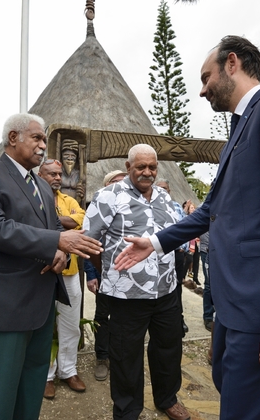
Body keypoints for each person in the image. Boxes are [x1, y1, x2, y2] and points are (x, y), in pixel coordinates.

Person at [114, 36, 260, 419]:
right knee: (228, 388)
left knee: (244, 410)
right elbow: (211, 209)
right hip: (235, 304)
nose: (201, 90)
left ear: (232, 63)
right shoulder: (239, 129)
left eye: (205, 77)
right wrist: (155, 242)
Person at [0, 113, 103, 420]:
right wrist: (57, 243)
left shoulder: (41, 186)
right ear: (13, 138)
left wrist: (58, 255)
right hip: (0, 309)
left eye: (44, 140)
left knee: (30, 391)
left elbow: (51, 234)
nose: (42, 146)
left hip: (39, 308)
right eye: (36, 138)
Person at [83, 144, 190, 420]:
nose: (147, 172)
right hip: (125, 295)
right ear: (128, 166)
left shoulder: (166, 200)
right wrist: (106, 274)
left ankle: (167, 399)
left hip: (166, 291)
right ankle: (128, 410)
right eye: (140, 167)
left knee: (168, 348)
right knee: (125, 355)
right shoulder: (107, 196)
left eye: (152, 167)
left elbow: (180, 237)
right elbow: (90, 241)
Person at [38, 158, 87, 399]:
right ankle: (46, 375)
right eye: (51, 174)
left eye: (59, 174)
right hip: (43, 272)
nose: (57, 178)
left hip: (71, 273)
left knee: (70, 324)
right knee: (44, 324)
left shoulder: (70, 201)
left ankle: (68, 370)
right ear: (39, 174)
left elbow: (81, 222)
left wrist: (54, 223)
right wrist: (64, 225)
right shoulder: (33, 197)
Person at [85, 169, 127, 381]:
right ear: (107, 185)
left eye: (124, 181)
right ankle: (102, 357)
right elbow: (89, 242)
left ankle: (120, 356)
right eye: (116, 182)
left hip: (128, 275)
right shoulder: (99, 206)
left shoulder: (132, 206)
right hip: (104, 272)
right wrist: (92, 275)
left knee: (126, 318)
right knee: (103, 316)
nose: (121, 185)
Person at [156, 180, 190, 336]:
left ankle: (178, 319)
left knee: (176, 287)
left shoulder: (176, 207)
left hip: (176, 254)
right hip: (158, 253)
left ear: (169, 191)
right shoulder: (150, 206)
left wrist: (183, 250)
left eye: (165, 189)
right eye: (159, 188)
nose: (162, 191)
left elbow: (185, 228)